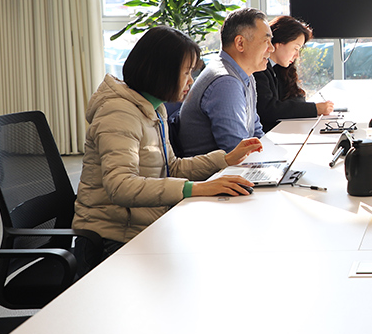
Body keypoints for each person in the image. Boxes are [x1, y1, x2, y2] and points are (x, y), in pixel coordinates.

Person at [74, 26, 262, 258]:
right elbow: (121, 186)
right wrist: (197, 188)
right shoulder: (118, 113)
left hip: (145, 225)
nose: (191, 81)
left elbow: (171, 167)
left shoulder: (154, 108)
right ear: (161, 72)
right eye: (186, 73)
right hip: (111, 240)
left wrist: (224, 159)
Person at [178, 8, 274, 156]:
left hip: (236, 166)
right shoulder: (226, 82)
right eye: (266, 41)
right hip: (217, 170)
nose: (271, 49)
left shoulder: (244, 75)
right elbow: (236, 150)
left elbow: (255, 133)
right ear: (240, 43)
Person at [254, 16, 334, 131]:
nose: (297, 55)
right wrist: (314, 109)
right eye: (295, 49)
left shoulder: (279, 68)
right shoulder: (259, 70)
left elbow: (298, 98)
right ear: (278, 43)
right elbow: (268, 110)